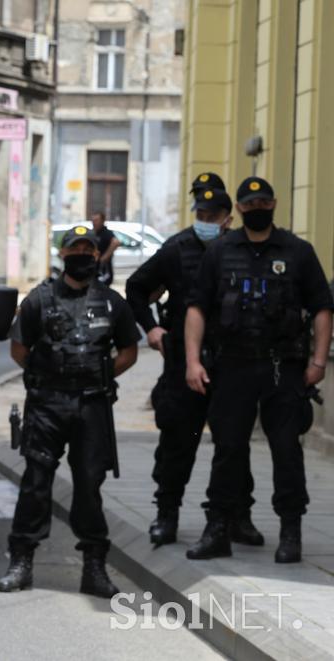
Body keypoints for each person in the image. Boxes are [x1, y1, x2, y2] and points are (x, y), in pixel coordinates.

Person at [184, 176, 333, 563]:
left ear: (274, 203)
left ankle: (290, 531)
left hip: (282, 369)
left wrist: (319, 360)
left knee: (286, 451)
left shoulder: (298, 252)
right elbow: (197, 309)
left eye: (262, 202)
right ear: (239, 208)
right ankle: (218, 528)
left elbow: (321, 307)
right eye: (249, 205)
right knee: (227, 450)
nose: (256, 209)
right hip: (232, 368)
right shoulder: (219, 252)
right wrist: (193, 361)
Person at [0, 226, 140, 598]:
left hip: (92, 406)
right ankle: (21, 561)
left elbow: (128, 351)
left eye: (88, 250)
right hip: (47, 405)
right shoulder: (39, 300)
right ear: (63, 255)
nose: (82, 255)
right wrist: (50, 375)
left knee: (89, 485)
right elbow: (18, 349)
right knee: (36, 482)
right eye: (75, 249)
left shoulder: (111, 302)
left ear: (96, 256)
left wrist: (100, 375)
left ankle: (94, 566)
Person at [125, 179, 262, 547]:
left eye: (212, 215)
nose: (205, 220)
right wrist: (151, 329)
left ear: (227, 219)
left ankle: (237, 516)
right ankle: (166, 514)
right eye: (200, 214)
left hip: (229, 361)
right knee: (177, 441)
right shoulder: (177, 249)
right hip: (183, 364)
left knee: (233, 444)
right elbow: (137, 287)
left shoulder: (242, 250)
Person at [92, 211, 120, 286]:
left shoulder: (105, 232)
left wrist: (104, 257)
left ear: (102, 221)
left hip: (103, 269)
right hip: (94, 268)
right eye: (93, 220)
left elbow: (116, 242)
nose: (94, 223)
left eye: (96, 220)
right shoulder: (93, 233)